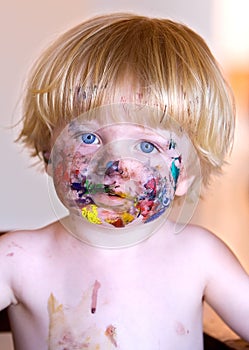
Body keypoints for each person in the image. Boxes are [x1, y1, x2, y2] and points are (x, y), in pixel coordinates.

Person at [0, 13, 249, 350]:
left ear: (185, 173)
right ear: (49, 152)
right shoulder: (18, 260)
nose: (115, 166)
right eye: (88, 138)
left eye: (147, 146)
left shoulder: (198, 256)